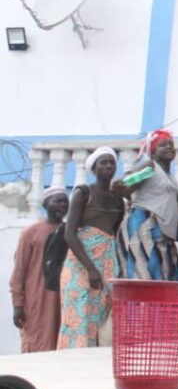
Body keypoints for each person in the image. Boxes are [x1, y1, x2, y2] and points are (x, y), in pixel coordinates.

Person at [58, 148, 124, 349]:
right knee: (78, 316)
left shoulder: (118, 199)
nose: (108, 166)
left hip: (106, 263)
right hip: (80, 264)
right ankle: (72, 362)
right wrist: (91, 269)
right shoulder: (83, 193)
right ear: (93, 168)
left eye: (111, 163)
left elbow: (114, 234)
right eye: (103, 163)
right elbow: (69, 234)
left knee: (101, 315)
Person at [115, 130, 178, 281]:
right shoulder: (150, 167)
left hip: (162, 235)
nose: (169, 147)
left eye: (171, 145)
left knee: (164, 278)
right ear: (152, 152)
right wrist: (128, 191)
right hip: (145, 229)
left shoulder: (169, 176)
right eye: (163, 145)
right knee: (146, 277)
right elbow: (122, 183)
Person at [10, 187, 66, 352]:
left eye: (65, 201)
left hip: (61, 296)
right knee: (36, 342)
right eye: (58, 201)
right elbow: (19, 271)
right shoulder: (30, 233)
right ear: (45, 204)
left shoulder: (69, 231)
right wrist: (17, 304)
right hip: (36, 298)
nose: (63, 205)